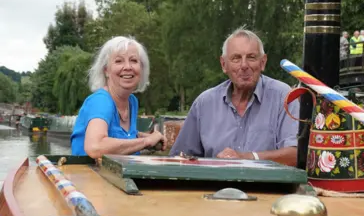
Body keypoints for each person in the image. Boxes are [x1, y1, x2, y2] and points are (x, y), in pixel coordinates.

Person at [169, 26, 299, 166]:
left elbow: (295, 155)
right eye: (236, 58)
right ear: (224, 64)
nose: (244, 65)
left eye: (251, 57)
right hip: (216, 186)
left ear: (263, 62)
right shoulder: (204, 104)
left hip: (266, 187)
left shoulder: (284, 97)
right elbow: (179, 159)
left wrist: (247, 158)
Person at [71, 36, 166, 158]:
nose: (127, 67)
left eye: (133, 60)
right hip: (90, 175)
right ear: (106, 70)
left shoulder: (131, 102)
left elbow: (122, 135)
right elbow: (95, 147)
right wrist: (145, 142)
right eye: (119, 61)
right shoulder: (101, 101)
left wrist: (146, 137)